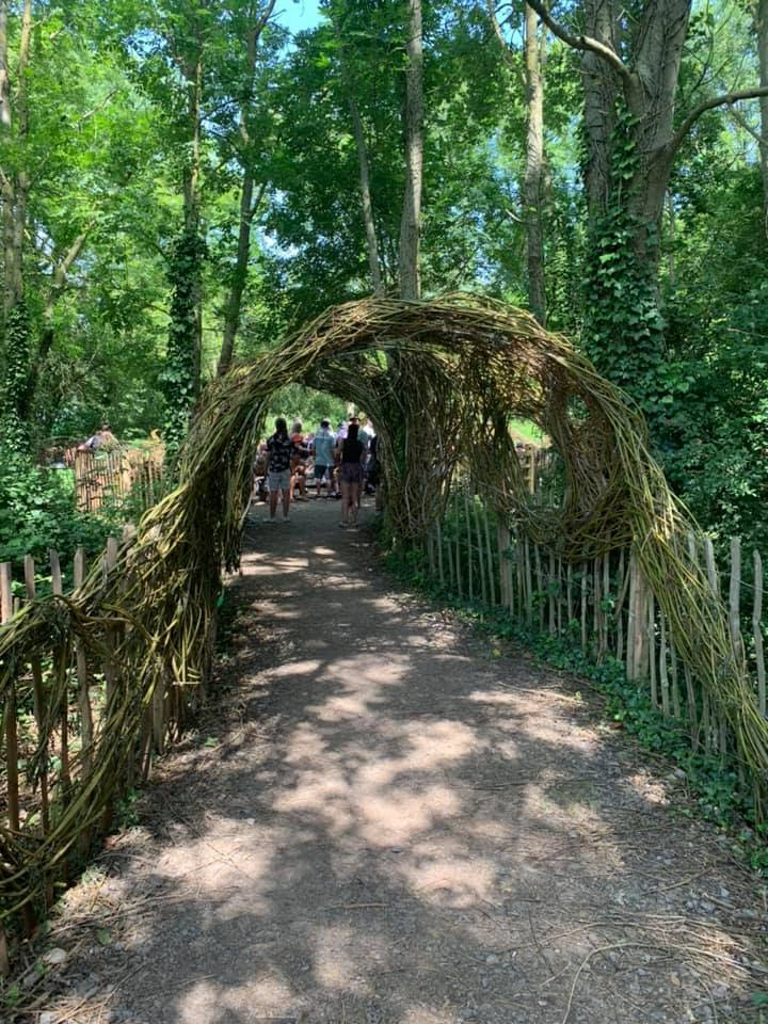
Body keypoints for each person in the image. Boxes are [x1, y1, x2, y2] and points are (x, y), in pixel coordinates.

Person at [266, 417, 301, 523]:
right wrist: (294, 467)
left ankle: (272, 517)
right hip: (285, 469)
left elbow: (268, 456)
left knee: (273, 493)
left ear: (276, 426)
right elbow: (294, 456)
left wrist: (265, 469)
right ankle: (285, 516)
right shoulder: (289, 441)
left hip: (273, 469)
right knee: (286, 492)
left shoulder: (271, 440)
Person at [338, 422, 365, 528]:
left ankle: (344, 521)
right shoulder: (360, 444)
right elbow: (362, 458)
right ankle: (355, 521)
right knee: (354, 497)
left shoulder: (343, 442)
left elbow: (337, 452)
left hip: (345, 468)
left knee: (345, 497)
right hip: (356, 468)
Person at [312, 418, 337, 499]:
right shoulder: (331, 435)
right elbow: (332, 449)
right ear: (328, 425)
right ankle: (328, 494)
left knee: (318, 478)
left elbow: (313, 448)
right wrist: (334, 459)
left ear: (321, 425)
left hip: (318, 460)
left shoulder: (316, 435)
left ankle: (318, 493)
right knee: (328, 478)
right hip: (328, 461)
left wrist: (314, 456)